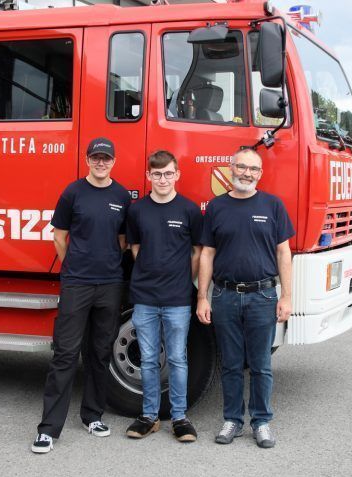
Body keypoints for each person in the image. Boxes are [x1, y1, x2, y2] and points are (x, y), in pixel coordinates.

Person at [32, 137, 130, 454]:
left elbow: (123, 240)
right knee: (65, 354)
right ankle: (48, 429)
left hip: (110, 284)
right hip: (77, 283)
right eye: (95, 158)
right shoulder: (73, 193)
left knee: (100, 353)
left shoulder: (121, 196)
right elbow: (59, 236)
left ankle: (92, 416)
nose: (101, 163)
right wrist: (73, 266)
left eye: (106, 158)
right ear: (87, 160)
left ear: (114, 161)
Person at [196, 148, 294, 449]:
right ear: (231, 169)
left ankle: (261, 422)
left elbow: (283, 253)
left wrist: (287, 296)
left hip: (263, 296)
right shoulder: (216, 207)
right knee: (231, 364)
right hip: (225, 295)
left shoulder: (273, 205)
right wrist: (202, 296)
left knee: (261, 364)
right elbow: (207, 254)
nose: (246, 173)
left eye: (253, 169)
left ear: (260, 174)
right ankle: (233, 420)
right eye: (241, 167)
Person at [124, 150, 203, 442]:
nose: (163, 179)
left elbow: (196, 252)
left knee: (178, 359)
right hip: (144, 297)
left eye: (168, 173)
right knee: (147, 359)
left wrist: (183, 279)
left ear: (177, 174)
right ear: (148, 176)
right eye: (157, 174)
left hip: (177, 298)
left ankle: (180, 418)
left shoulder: (189, 210)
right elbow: (134, 248)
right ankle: (149, 417)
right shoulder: (137, 210)